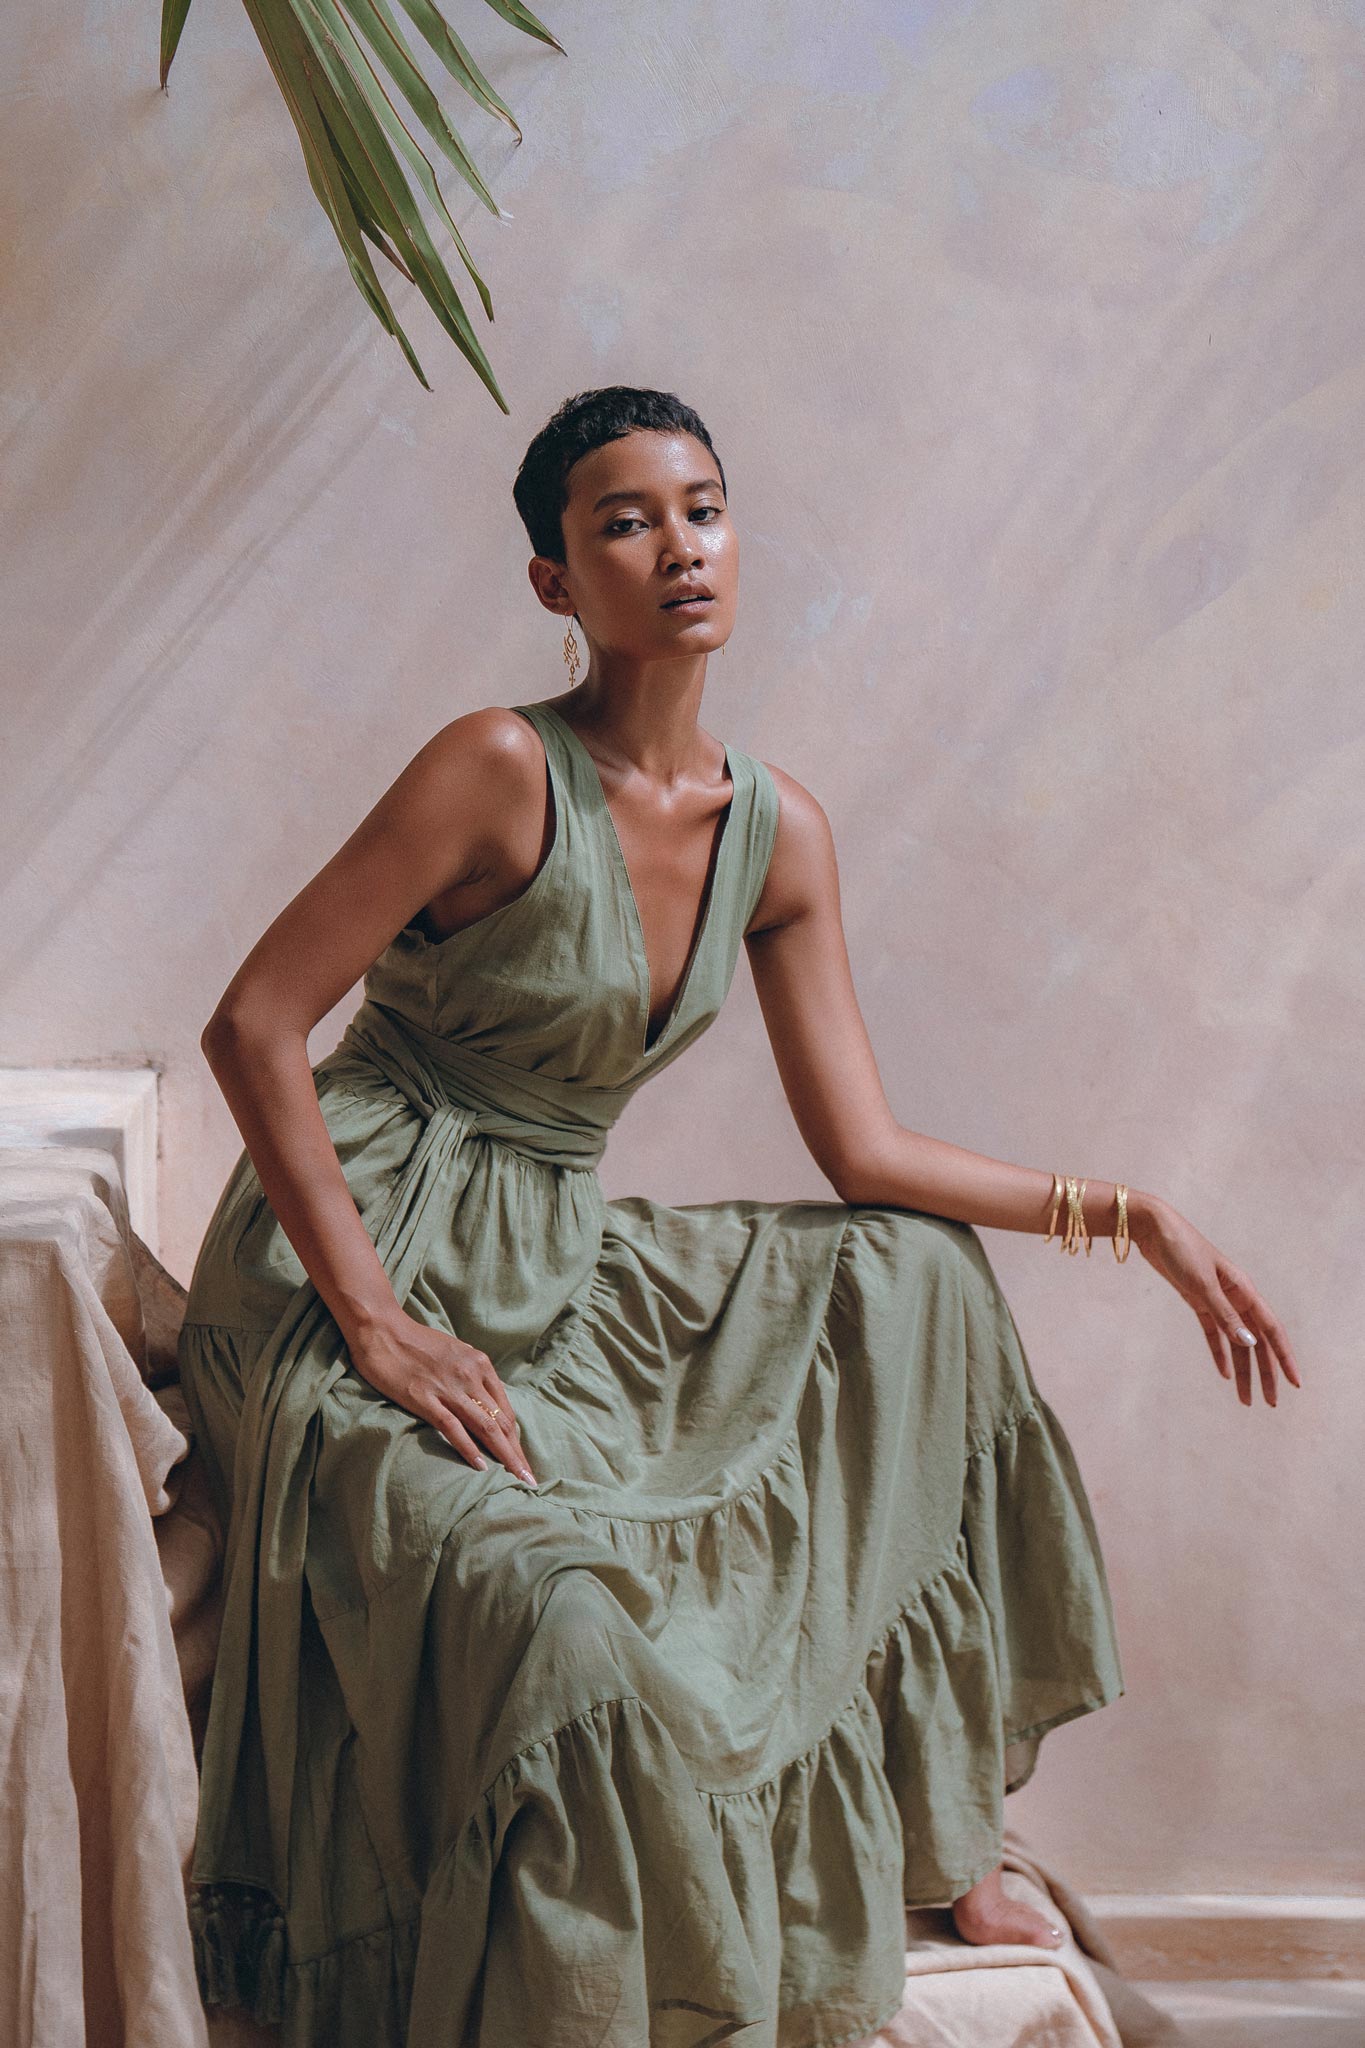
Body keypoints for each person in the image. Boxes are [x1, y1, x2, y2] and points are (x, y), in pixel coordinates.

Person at [177, 384, 1301, 2048]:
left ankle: (942, 1827)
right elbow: (254, 1019)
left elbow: (864, 1150)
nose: (675, 545)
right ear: (556, 580)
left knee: (911, 1274)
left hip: (547, 1251)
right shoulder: (496, 766)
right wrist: (374, 1321)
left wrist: (1126, 1213)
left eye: (699, 506)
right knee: (554, 1621)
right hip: (357, 1240)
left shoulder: (777, 838)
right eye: (621, 520)